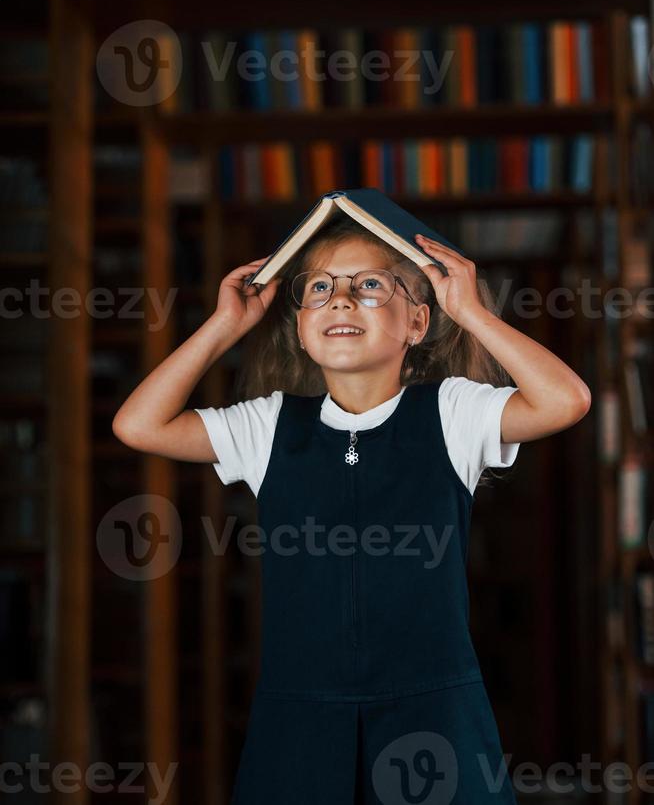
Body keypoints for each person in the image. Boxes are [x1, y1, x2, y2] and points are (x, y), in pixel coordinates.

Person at [113, 211, 592, 804]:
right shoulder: (269, 426)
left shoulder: (453, 412)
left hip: (433, 711)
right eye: (319, 288)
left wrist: (471, 313)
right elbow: (138, 424)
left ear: (418, 321)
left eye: (369, 284)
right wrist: (223, 324)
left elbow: (565, 400)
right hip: (299, 715)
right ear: (300, 324)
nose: (341, 299)